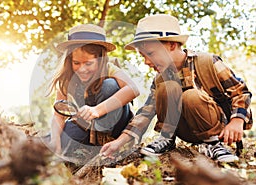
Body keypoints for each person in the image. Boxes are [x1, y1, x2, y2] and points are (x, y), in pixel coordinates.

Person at [101, 14, 252, 162]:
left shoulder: (208, 62)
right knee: (167, 87)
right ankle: (167, 138)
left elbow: (241, 92)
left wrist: (237, 121)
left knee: (190, 96)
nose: (146, 61)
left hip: (215, 126)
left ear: (172, 45)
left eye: (151, 54)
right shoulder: (160, 79)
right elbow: (145, 113)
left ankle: (213, 144)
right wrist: (119, 142)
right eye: (143, 56)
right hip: (184, 129)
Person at [48, 24, 139, 155]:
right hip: (88, 127)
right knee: (60, 137)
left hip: (116, 124)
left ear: (100, 60)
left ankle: (109, 142)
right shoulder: (67, 78)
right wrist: (55, 140)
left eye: (88, 63)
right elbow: (59, 114)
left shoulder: (109, 68)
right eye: (76, 63)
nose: (82, 69)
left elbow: (133, 89)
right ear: (70, 60)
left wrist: (97, 110)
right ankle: (91, 146)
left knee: (109, 86)